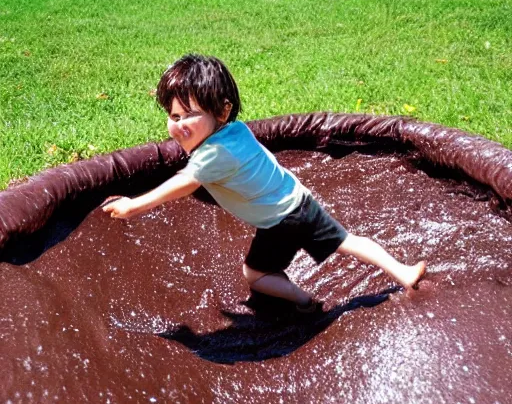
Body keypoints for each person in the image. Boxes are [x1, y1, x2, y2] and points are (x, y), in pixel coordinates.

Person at [103, 54, 426, 312]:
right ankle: (402, 271)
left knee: (255, 276)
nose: (180, 125)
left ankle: (304, 301)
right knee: (348, 240)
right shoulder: (237, 130)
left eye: (190, 114)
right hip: (299, 199)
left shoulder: (212, 155)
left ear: (223, 110)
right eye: (174, 117)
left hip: (279, 222)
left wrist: (135, 205)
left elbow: (186, 182)